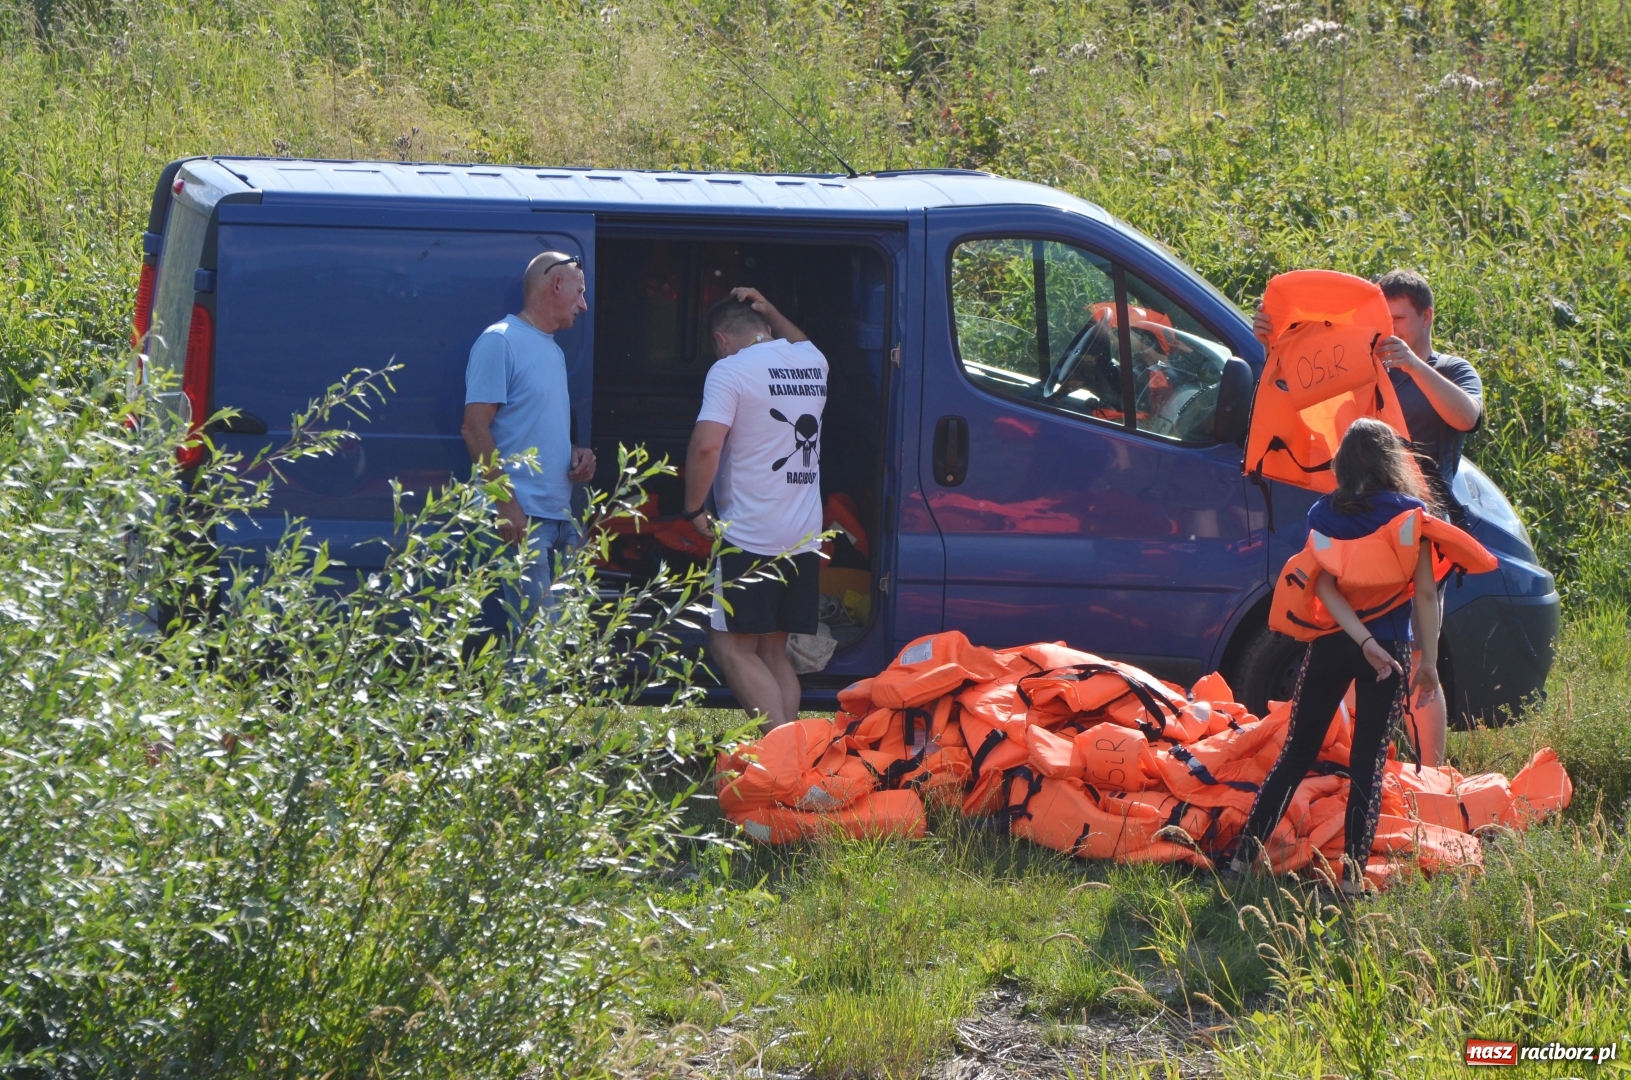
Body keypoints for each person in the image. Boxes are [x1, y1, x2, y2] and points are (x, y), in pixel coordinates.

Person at [1251, 268, 1478, 766]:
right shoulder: (1362, 361)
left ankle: (1430, 772)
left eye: (1400, 320)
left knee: (1418, 652)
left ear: (1427, 317)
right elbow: (1308, 405)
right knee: (1353, 643)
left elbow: (1466, 417)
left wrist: (1412, 365)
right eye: (1383, 320)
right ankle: (1356, 765)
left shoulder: (1450, 369)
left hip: (1418, 528)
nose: (1391, 330)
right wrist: (1275, 346)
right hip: (1361, 528)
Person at [1223, 418, 1443, 897]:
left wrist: (1360, 639)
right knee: (1368, 765)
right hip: (1391, 650)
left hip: (1333, 643)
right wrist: (1427, 661)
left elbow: (1322, 585)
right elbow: (1426, 594)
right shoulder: (1414, 516)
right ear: (1392, 462)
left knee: (1296, 754)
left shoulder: (1323, 514)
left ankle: (1240, 862)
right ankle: (1351, 882)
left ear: (1343, 464)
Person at [683, 288, 828, 731]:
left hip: (751, 534)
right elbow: (798, 339)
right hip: (804, 533)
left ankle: (781, 753)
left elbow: (707, 446)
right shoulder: (814, 362)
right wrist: (772, 308)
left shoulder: (730, 370)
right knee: (770, 650)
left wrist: (693, 509)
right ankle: (797, 756)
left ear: (721, 340)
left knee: (730, 647)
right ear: (766, 328)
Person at [461, 251, 597, 628]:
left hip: (559, 515)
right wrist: (506, 505)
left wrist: (575, 454)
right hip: (523, 517)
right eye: (580, 292)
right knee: (538, 642)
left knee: (560, 638)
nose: (584, 305)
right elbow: (474, 428)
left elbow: (529, 427)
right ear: (556, 285)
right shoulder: (500, 341)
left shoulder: (551, 349)